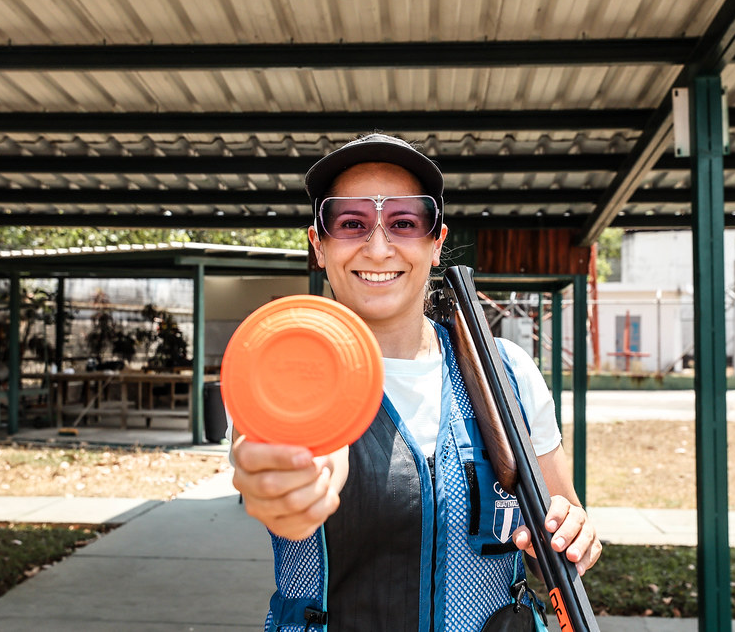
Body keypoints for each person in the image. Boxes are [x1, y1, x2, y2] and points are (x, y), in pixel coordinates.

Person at [230, 133, 601, 631]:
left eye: (404, 223)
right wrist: (288, 489)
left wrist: (573, 536)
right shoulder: (283, 376)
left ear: (436, 243)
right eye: (351, 223)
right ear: (318, 245)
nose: (378, 247)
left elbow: (561, 522)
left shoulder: (507, 371)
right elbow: (278, 482)